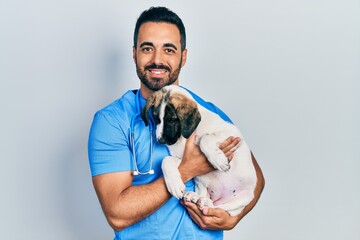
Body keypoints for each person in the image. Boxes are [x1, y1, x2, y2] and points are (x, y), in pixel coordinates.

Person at [88, 6, 265, 240]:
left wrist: (234, 217)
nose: (157, 60)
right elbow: (117, 214)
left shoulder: (207, 112)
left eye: (169, 49)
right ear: (134, 54)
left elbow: (256, 177)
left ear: (184, 56)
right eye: (147, 48)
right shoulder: (112, 121)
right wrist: (188, 169)